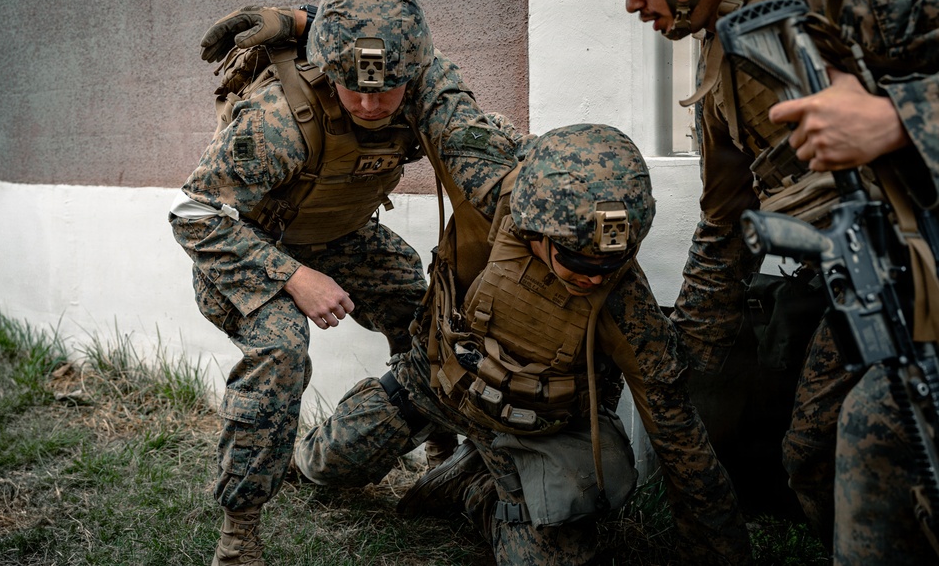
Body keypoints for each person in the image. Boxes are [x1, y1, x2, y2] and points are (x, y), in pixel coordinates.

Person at [576, 0, 939, 561]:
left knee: (882, 438)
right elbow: (726, 230)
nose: (632, 5)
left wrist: (895, 119)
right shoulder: (727, 61)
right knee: (816, 452)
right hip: (882, 281)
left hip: (927, 256)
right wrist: (676, 368)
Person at [170, 0, 521, 566]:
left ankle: (438, 445)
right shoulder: (278, 117)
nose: (368, 105)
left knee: (423, 303)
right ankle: (240, 532)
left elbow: (482, 144)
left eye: (384, 93)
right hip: (248, 247)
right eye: (353, 90)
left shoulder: (423, 84)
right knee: (281, 349)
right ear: (329, 71)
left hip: (341, 237)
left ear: (409, 74)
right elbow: (196, 216)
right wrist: (295, 278)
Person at [294, 122, 753, 564]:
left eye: (608, 266)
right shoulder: (485, 200)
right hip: (435, 386)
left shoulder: (626, 310)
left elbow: (679, 436)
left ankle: (478, 487)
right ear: (536, 230)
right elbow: (429, 95)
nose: (592, 277)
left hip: (535, 428)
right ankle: (332, 449)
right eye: (575, 260)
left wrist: (720, 553)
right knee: (326, 464)